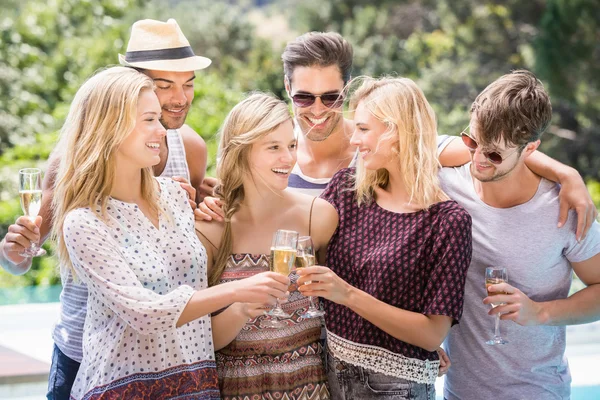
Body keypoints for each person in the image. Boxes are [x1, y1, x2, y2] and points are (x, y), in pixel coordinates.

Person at [197, 31, 596, 243]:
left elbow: (489, 150)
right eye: (303, 96)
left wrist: (565, 174)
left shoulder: (385, 147)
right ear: (286, 86)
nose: (317, 109)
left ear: (347, 88)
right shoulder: (272, 159)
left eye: (331, 97)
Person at [0, 18, 211, 400]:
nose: (181, 98)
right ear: (133, 85)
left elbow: (189, 247)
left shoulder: (190, 148)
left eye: (188, 83)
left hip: (171, 358)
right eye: (165, 85)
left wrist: (210, 207)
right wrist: (13, 252)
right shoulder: (73, 162)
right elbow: (21, 257)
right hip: (86, 353)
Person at [50, 66, 289, 400]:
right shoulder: (84, 222)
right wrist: (239, 290)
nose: (162, 131)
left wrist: (244, 307)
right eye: (149, 120)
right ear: (110, 128)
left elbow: (191, 300)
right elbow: (147, 313)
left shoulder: (176, 196)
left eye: (159, 120)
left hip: (196, 386)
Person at [295, 76, 472, 399]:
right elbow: (302, 243)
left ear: (396, 131)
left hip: (396, 387)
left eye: (363, 129)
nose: (354, 141)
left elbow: (433, 335)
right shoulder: (347, 189)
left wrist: (347, 294)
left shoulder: (447, 222)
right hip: (328, 372)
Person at [439, 70, 600, 400]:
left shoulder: (565, 210)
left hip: (538, 391)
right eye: (472, 141)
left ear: (531, 148)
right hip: (459, 392)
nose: (478, 160)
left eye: (494, 153)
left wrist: (541, 313)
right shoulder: (449, 178)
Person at [195, 92, 338, 399]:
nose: (288, 159)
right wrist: (242, 308)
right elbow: (196, 338)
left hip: (309, 388)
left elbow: (335, 310)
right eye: (273, 147)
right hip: (236, 389)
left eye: (291, 145)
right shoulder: (210, 228)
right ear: (242, 150)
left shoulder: (318, 216)